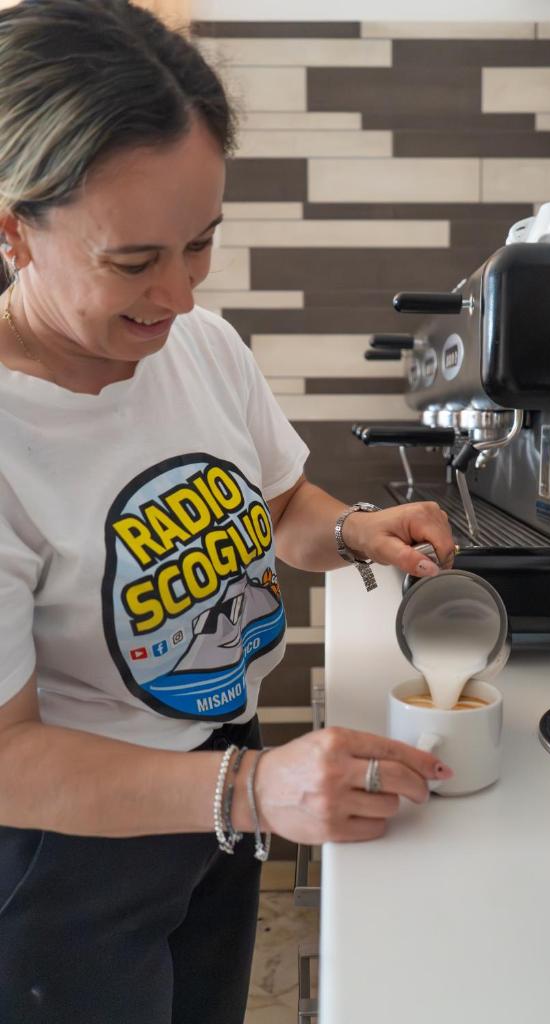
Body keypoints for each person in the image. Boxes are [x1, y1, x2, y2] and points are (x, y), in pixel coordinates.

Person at [0, 2, 456, 1022]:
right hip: (68, 842)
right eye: (133, 262)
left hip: (217, 770)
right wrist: (251, 790)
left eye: (199, 243)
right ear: (14, 229)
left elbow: (277, 500)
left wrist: (346, 531)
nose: (175, 293)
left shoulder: (201, 345)